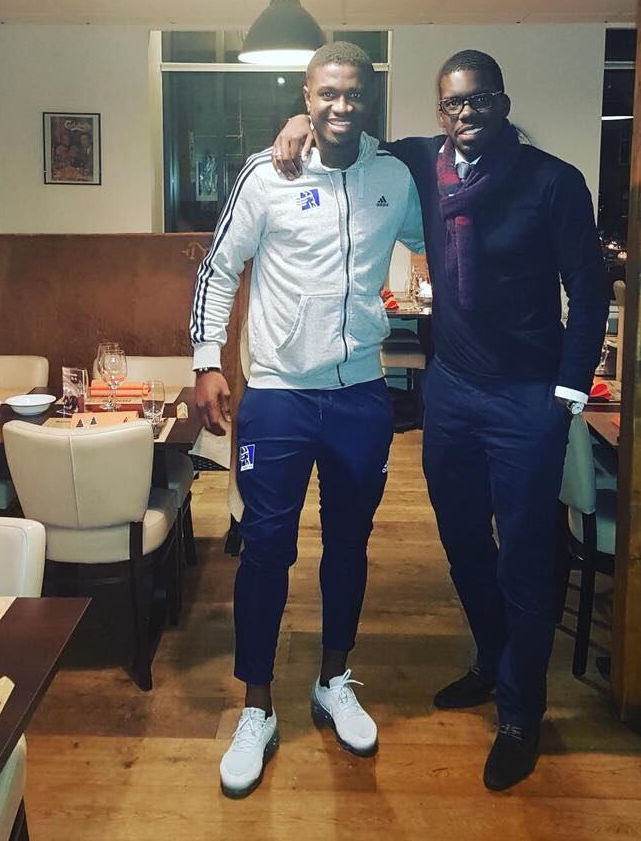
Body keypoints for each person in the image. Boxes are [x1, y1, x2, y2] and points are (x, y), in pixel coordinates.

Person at [272, 49, 608, 790]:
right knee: (462, 544)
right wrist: (300, 122)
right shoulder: (423, 162)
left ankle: (520, 712)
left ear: (503, 102)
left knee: (525, 559)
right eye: (453, 103)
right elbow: (346, 129)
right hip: (451, 394)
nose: (466, 113)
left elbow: (589, 291)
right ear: (439, 111)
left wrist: (568, 394)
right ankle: (493, 658)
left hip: (527, 398)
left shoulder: (553, 181)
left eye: (479, 99)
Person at [190, 41, 424, 800]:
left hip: (361, 393)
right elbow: (219, 267)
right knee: (265, 550)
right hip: (280, 394)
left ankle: (333, 680)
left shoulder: (395, 178)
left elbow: (436, 245)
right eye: (327, 94)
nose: (340, 106)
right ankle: (256, 706)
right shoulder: (269, 173)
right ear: (307, 96)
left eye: (352, 93)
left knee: (350, 543)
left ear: (369, 98)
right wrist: (206, 360)